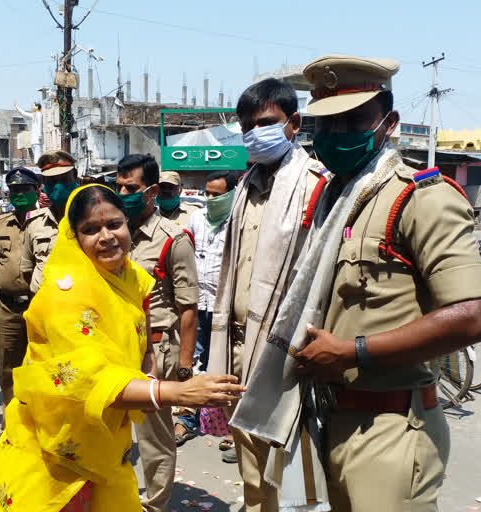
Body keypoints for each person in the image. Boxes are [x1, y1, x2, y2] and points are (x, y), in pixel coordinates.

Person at [235, 56, 481, 512]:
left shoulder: (420, 198)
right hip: (329, 416)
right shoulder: (331, 200)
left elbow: (473, 319)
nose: (335, 135)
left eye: (353, 120)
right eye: (326, 123)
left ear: (389, 122)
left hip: (391, 425)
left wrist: (354, 352)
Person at [0, 184, 245, 512]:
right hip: (56, 451)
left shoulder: (133, 278)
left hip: (107, 442)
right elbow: (90, 381)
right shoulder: (63, 295)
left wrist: (151, 372)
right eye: (90, 230)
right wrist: (175, 393)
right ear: (75, 239)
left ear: (128, 223)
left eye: (114, 224)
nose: (106, 236)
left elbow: (144, 340)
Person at [205, 77, 328, 507]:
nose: (254, 133)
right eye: (246, 126)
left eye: (266, 122)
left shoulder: (315, 185)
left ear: (293, 123)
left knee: (287, 466)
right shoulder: (247, 186)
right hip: (238, 345)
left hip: (283, 351)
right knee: (250, 463)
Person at [116, 154, 199, 512]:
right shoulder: (113, 232)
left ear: (150, 192)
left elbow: (188, 306)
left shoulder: (173, 239)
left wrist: (183, 367)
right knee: (113, 432)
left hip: (155, 352)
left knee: (154, 441)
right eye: (118, 186)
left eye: (130, 188)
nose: (122, 193)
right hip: (114, 350)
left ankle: (154, 505)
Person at [174, 171, 237, 447]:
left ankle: (231, 426)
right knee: (193, 360)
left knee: (226, 364)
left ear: (231, 194)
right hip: (198, 303)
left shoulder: (238, 220)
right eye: (207, 193)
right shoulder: (197, 219)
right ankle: (187, 419)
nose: (210, 199)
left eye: (216, 194)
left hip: (226, 305)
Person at [0, 168, 40, 456]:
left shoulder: (47, 224)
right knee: (8, 371)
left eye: (25, 190)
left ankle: (40, 432)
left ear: (36, 190)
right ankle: (10, 430)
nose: (19, 196)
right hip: (7, 306)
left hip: (40, 306)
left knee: (41, 371)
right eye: (14, 192)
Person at [21, 150, 79, 294]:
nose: (58, 187)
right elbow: (27, 270)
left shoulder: (92, 220)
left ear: (75, 177)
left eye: (64, 179)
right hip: (45, 305)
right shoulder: (34, 222)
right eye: (52, 181)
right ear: (44, 184)